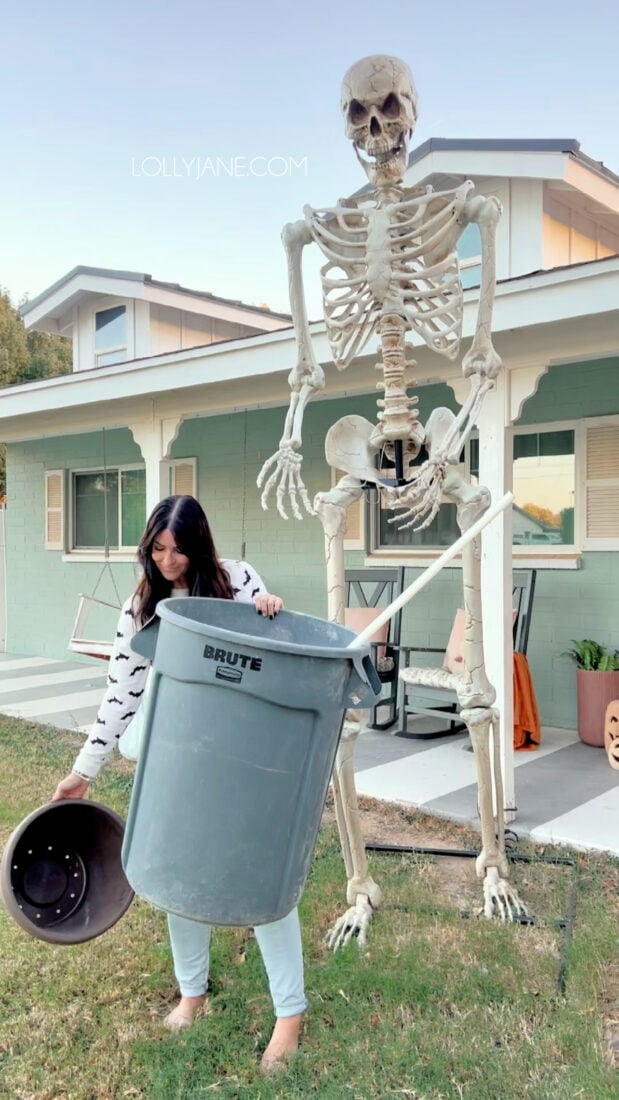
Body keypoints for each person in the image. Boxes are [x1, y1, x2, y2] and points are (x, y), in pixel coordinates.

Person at [53, 495, 306, 1072]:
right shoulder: (142, 606)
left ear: (199, 544)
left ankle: (288, 1014)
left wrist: (269, 609)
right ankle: (192, 993)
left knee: (259, 877)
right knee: (180, 876)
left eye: (178, 549)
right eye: (157, 549)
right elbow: (120, 697)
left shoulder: (238, 581)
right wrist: (82, 772)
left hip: (243, 758)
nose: (168, 561)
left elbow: (282, 654)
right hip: (178, 761)